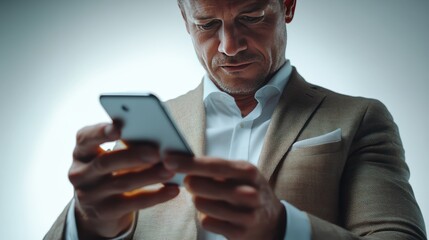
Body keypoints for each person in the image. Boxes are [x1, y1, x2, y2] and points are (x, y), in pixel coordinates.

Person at [45, 0, 427, 239]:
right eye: (207, 24)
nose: (230, 46)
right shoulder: (147, 129)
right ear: (184, 18)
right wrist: (89, 224)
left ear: (288, 6)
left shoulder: (358, 117)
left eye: (252, 17)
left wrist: (282, 229)